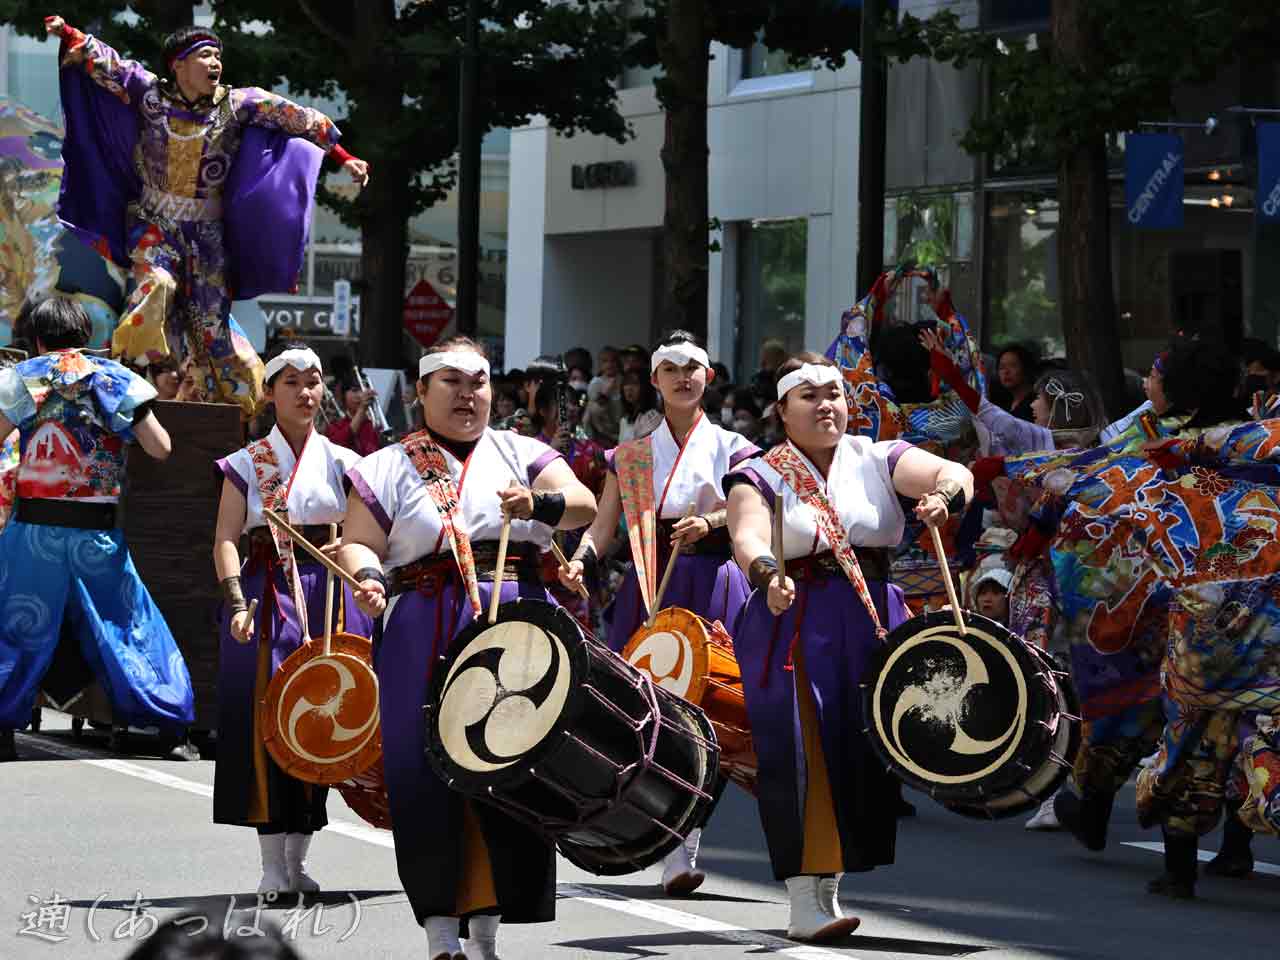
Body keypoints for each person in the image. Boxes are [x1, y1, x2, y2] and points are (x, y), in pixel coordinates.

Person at [337, 337, 597, 960]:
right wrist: (368, 577)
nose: (467, 393)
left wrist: (539, 503)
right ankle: (439, 931)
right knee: (425, 768)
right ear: (421, 393)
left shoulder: (521, 451)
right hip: (425, 617)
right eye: (450, 381)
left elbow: (582, 504)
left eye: (478, 381)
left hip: (514, 614)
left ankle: (488, 930)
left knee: (513, 762)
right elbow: (357, 541)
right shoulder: (386, 465)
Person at [723, 353, 972, 941]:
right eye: (808, 395)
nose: (825, 403)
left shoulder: (877, 456)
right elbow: (747, 533)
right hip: (793, 611)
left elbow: (951, 473)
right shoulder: (758, 472)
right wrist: (765, 573)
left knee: (858, 750)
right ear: (782, 410)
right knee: (801, 750)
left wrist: (944, 497)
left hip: (869, 613)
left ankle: (828, 891)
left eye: (833, 392)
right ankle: (803, 896)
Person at [46, 16, 369, 419]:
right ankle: (130, 374)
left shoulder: (239, 104)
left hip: (207, 237)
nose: (215, 62)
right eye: (204, 55)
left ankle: (227, 413)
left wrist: (345, 157)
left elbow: (301, 118)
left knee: (213, 333)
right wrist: (70, 35)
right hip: (154, 225)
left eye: (217, 55)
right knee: (157, 285)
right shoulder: (149, 95)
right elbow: (108, 63)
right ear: (177, 65)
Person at [559, 330, 759, 895]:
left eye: (693, 366)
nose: (683, 376)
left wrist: (715, 523)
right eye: (670, 368)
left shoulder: (732, 448)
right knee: (645, 709)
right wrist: (582, 559)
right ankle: (649, 832)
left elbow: (754, 511)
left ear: (708, 378)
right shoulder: (631, 455)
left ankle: (685, 847)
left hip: (716, 578)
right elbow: (603, 525)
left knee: (711, 710)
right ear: (654, 380)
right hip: (652, 581)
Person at [210, 342, 373, 895]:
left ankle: (299, 860)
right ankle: (270, 865)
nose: (307, 393)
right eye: (292, 383)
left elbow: (365, 536)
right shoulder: (245, 464)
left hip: (331, 592)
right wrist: (236, 603)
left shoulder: (348, 464)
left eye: (315, 382)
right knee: (268, 724)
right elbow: (226, 540)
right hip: (266, 594)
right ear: (269, 392)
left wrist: (364, 580)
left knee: (328, 722)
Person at [0, 297, 191, 763]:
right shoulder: (117, 379)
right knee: (129, 626)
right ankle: (170, 729)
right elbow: (161, 448)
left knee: (14, 627)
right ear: (89, 335)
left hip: (35, 533)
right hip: (96, 534)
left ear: (38, 339)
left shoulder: (23, 377)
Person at [535, 381, 607, 628]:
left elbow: (602, 502)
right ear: (544, 410)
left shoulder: (593, 453)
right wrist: (549, 452)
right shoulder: (530, 451)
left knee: (582, 634)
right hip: (542, 557)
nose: (572, 410)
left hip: (580, 552)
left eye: (574, 403)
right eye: (562, 404)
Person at [324, 373, 383, 457]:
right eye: (355, 390)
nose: (360, 395)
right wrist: (362, 409)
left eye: (363, 391)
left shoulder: (374, 425)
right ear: (344, 395)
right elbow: (340, 445)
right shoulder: (335, 426)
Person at [993, 344, 1038, 421]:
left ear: (1026, 369)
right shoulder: (1001, 403)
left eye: (1013, 365)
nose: (1006, 372)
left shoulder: (1036, 404)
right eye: (1001, 367)